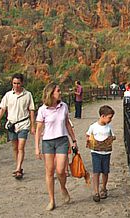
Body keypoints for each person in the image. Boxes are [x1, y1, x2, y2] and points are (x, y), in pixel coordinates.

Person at [35, 82, 77, 211]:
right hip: (48, 142)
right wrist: (37, 147)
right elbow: (38, 130)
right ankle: (52, 200)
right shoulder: (43, 109)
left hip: (62, 140)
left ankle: (63, 187)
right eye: (58, 91)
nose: (60, 92)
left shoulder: (63, 106)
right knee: (49, 171)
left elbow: (67, 124)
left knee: (60, 170)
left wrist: (74, 139)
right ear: (51, 93)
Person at [0, 73, 35, 179]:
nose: (16, 85)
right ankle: (18, 165)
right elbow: (2, 108)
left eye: (18, 83)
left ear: (22, 83)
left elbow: (31, 110)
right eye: (14, 83)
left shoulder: (27, 95)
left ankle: (18, 169)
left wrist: (32, 125)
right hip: (12, 124)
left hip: (23, 124)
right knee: (15, 147)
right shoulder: (8, 95)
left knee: (21, 147)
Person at [86, 105, 115, 202]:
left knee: (105, 171)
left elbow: (112, 136)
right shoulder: (93, 126)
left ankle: (104, 188)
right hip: (96, 152)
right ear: (103, 116)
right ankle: (96, 191)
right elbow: (88, 135)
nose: (110, 120)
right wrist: (90, 141)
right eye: (109, 117)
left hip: (106, 153)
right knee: (96, 172)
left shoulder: (109, 127)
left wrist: (110, 140)